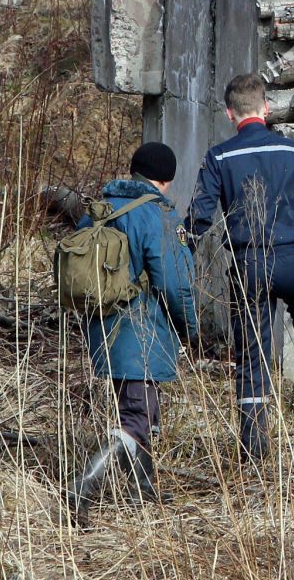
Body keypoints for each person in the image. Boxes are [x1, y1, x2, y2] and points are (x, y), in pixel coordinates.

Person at [188, 72, 294, 459]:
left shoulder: (219, 157)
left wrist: (181, 255)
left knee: (252, 350)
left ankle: (254, 444)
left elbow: (198, 217)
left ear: (230, 114)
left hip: (248, 265)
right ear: (267, 108)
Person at [66, 142, 199, 520]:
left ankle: (143, 490)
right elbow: (175, 282)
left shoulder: (101, 209)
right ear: (166, 180)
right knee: (137, 417)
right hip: (143, 330)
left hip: (103, 329)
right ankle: (84, 485)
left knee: (140, 411)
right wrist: (191, 327)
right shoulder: (156, 216)